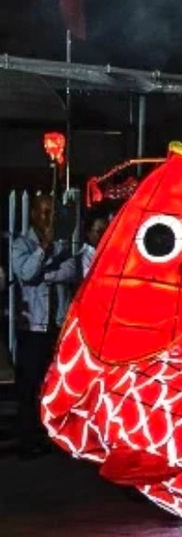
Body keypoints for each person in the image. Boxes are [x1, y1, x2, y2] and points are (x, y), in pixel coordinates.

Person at [12, 193, 80, 457]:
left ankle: (49, 434)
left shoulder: (64, 243)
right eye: (42, 212)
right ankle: (27, 439)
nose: (46, 217)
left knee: (51, 385)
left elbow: (71, 271)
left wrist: (45, 273)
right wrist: (44, 250)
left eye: (50, 212)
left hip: (56, 325)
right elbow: (26, 273)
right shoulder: (22, 244)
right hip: (33, 328)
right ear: (33, 214)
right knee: (29, 385)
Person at [79, 213, 110, 280]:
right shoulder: (84, 256)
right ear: (88, 232)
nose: (103, 235)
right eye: (99, 231)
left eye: (106, 231)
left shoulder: (110, 252)